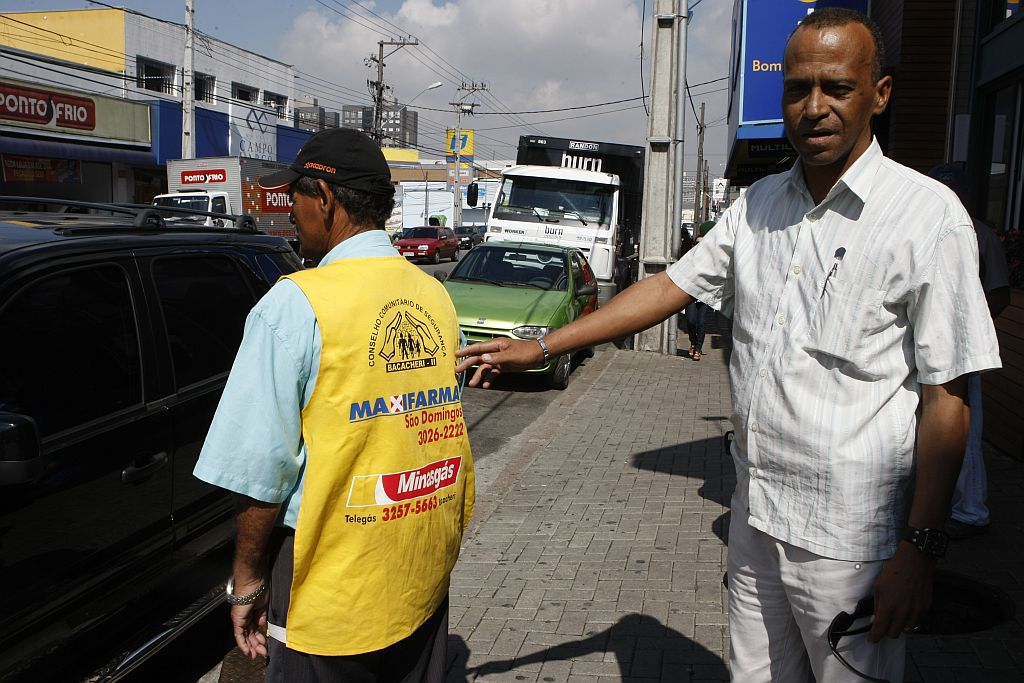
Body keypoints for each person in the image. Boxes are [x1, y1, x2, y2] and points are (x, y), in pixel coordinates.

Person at [455, 9, 1000, 682]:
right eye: (797, 89)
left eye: (837, 87)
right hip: (757, 515)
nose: (814, 107)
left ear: (879, 94)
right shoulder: (760, 203)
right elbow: (669, 287)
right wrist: (543, 345)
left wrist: (920, 550)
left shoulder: (928, 217)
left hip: (850, 543)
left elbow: (948, 400)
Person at [193, 127, 474, 682]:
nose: (288, 211)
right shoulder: (434, 296)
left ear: (323, 198)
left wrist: (247, 582)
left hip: (330, 590)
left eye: (292, 195)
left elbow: (262, 476)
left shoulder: (295, 304)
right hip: (420, 572)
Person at [928, 163, 1011, 539]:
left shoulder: (980, 234)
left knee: (961, 431)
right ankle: (938, 504)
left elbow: (1000, 294)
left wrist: (967, 324)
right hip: (922, 346)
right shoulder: (925, 229)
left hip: (959, 348)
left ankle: (971, 511)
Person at [685, 220, 716, 361]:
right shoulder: (690, 256)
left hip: (705, 292)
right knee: (691, 321)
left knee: (701, 322)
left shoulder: (714, 256)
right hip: (691, 291)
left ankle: (697, 349)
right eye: (698, 243)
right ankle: (693, 342)